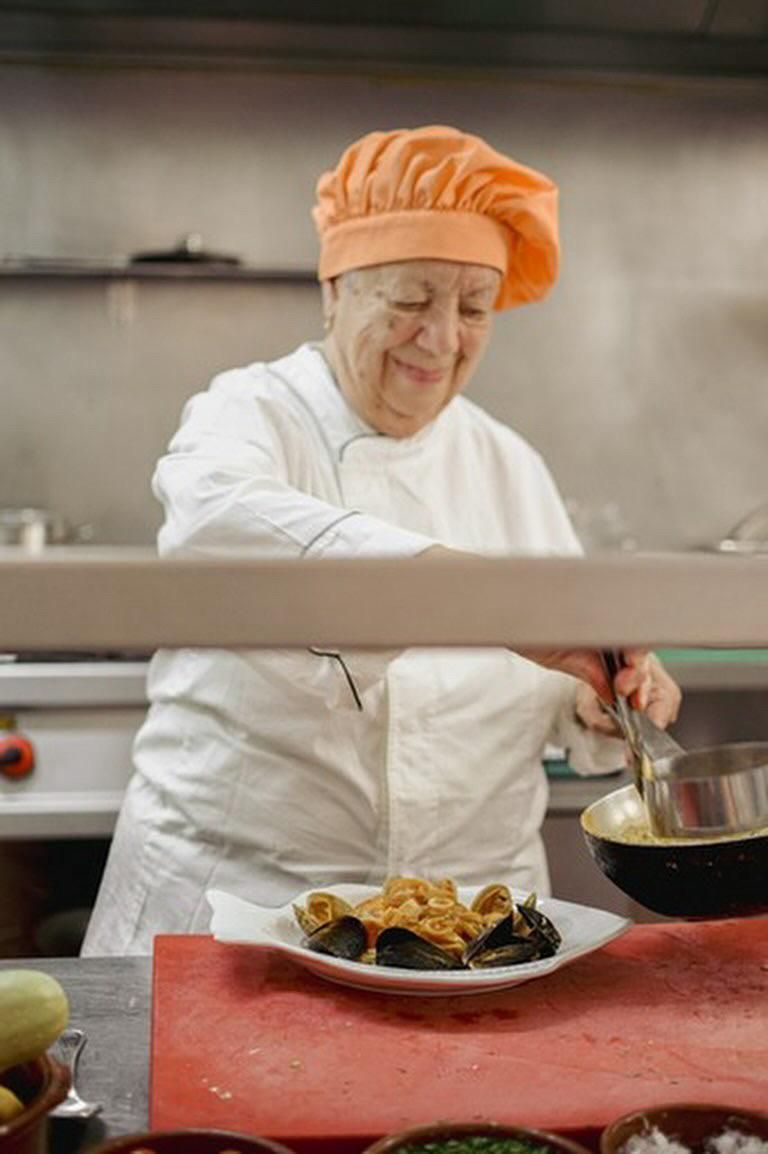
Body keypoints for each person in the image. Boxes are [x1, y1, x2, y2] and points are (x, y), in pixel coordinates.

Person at [82, 125, 680, 956]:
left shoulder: (508, 464)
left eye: (475, 307)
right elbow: (219, 533)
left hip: (473, 936)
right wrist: (491, 601)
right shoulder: (248, 414)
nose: (442, 337)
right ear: (335, 290)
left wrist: (595, 704)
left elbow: (551, 692)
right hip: (242, 917)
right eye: (409, 301)